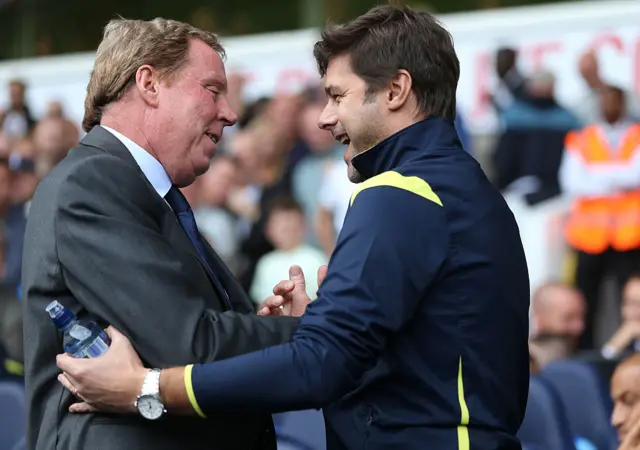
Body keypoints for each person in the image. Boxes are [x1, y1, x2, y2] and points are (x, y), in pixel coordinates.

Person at [57, 5, 531, 449]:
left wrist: (147, 387)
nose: (325, 118)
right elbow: (412, 356)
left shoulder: (401, 193)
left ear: (395, 91)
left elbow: (320, 363)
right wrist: (326, 320)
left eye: (337, 96)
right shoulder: (468, 190)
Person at [21, 17, 315, 450]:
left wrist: (254, 329)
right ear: (149, 84)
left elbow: (179, 338)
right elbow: (188, 343)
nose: (230, 114)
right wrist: (318, 329)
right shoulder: (93, 183)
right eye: (212, 90)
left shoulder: (138, 189)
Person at [559, 84, 640, 350]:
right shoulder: (582, 138)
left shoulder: (636, 135)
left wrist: (597, 175)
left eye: (615, 100)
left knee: (630, 303)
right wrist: (619, 176)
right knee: (585, 301)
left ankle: (629, 350)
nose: (610, 106)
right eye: (604, 100)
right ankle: (586, 352)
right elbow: (572, 181)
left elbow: (636, 175)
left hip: (629, 238)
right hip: (589, 238)